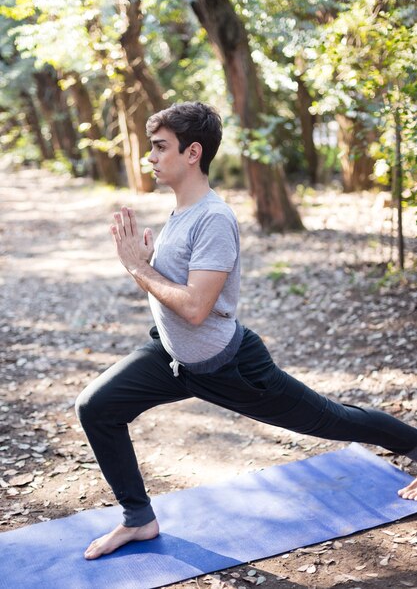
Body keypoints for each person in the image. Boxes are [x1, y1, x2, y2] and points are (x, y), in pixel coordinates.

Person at [76, 101, 417, 561]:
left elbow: (196, 308)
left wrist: (139, 269)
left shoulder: (214, 218)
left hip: (230, 367)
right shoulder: (180, 213)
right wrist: (149, 262)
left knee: (332, 419)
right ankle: (138, 519)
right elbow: (176, 291)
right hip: (172, 359)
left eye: (160, 147)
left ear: (193, 152)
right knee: (96, 406)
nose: (150, 158)